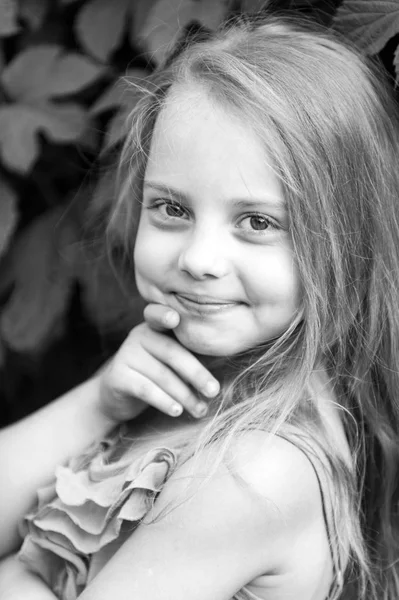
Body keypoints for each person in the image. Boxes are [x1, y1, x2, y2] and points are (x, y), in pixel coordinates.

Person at [1, 12, 399, 600]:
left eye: (259, 222)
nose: (198, 258)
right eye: (172, 209)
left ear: (350, 241)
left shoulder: (257, 471)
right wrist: (98, 401)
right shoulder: (175, 375)